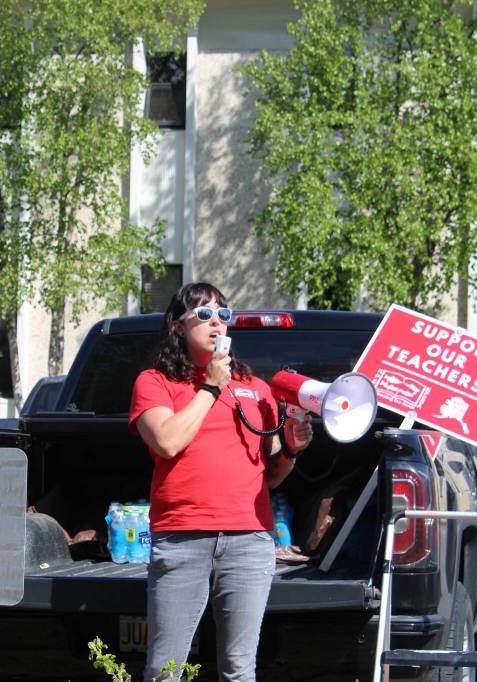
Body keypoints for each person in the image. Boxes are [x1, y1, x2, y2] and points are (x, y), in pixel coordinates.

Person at [128, 282, 313, 682]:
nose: (217, 322)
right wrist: (211, 386)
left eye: (223, 315)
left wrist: (292, 451)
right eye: (204, 314)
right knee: (165, 670)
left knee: (239, 667)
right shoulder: (155, 381)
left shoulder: (255, 388)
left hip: (249, 540)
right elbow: (167, 441)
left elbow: (271, 476)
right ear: (177, 327)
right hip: (183, 538)